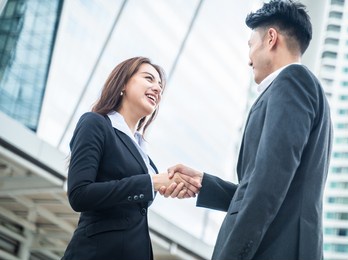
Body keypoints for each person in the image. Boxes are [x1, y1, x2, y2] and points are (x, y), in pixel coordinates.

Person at [160, 1, 333, 260]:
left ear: (271, 39)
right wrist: (204, 184)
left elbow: (267, 185)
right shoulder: (299, 87)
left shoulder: (292, 82)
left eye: (251, 45)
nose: (248, 58)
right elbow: (267, 187)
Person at [62, 57, 201, 260]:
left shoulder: (144, 154)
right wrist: (151, 182)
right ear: (123, 84)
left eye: (160, 86)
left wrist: (170, 185)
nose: (157, 89)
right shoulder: (96, 124)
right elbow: (79, 194)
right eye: (149, 79)